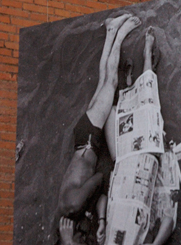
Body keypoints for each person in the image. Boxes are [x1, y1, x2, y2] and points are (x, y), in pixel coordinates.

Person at [57, 12, 141, 245]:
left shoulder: (73, 205)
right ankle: (110, 30)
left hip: (90, 139)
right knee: (104, 80)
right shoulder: (66, 209)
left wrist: (90, 205)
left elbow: (97, 179)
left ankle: (119, 33)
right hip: (83, 138)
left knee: (111, 82)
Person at [101, 26, 177, 245]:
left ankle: (129, 82)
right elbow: (168, 222)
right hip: (145, 162)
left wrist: (102, 223)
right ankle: (146, 56)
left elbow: (106, 199)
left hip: (122, 164)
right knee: (148, 107)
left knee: (113, 113)